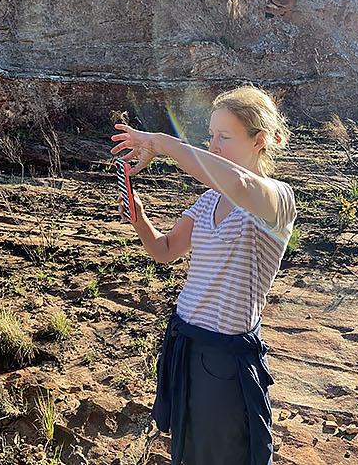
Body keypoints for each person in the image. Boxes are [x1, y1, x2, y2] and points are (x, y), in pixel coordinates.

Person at [111, 87, 294, 464]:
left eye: (224, 137)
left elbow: (242, 184)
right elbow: (164, 250)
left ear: (259, 141)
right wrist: (140, 219)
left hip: (225, 359)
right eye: (211, 136)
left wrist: (160, 143)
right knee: (188, 450)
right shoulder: (210, 198)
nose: (213, 146)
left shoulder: (277, 199)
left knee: (224, 454)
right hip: (185, 343)